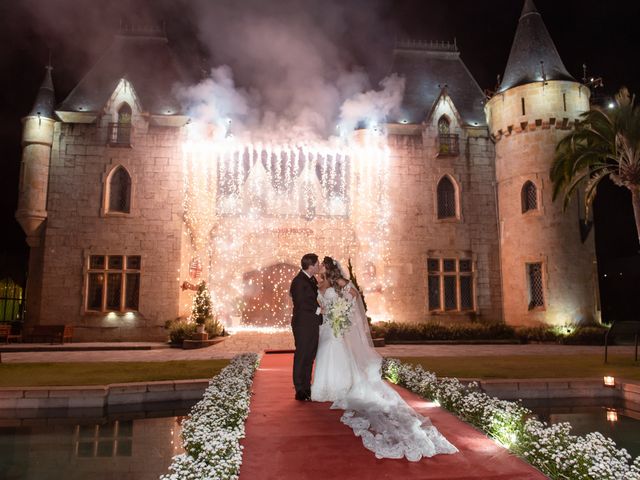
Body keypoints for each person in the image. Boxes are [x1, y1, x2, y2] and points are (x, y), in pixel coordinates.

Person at [311, 256, 458, 461]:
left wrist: (343, 312)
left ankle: (341, 385)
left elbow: (353, 297)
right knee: (327, 353)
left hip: (337, 325)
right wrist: (325, 311)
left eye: (324, 266)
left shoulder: (339, 283)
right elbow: (319, 304)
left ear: (330, 268)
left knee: (336, 353)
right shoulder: (320, 284)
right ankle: (324, 387)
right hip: (326, 326)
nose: (321, 269)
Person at [289, 253, 322, 401]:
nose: (319, 266)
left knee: (310, 355)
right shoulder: (298, 281)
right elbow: (301, 303)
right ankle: (299, 390)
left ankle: (307, 387)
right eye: (317, 264)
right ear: (311, 265)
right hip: (303, 324)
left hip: (312, 323)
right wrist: (320, 310)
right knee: (302, 355)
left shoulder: (311, 279)